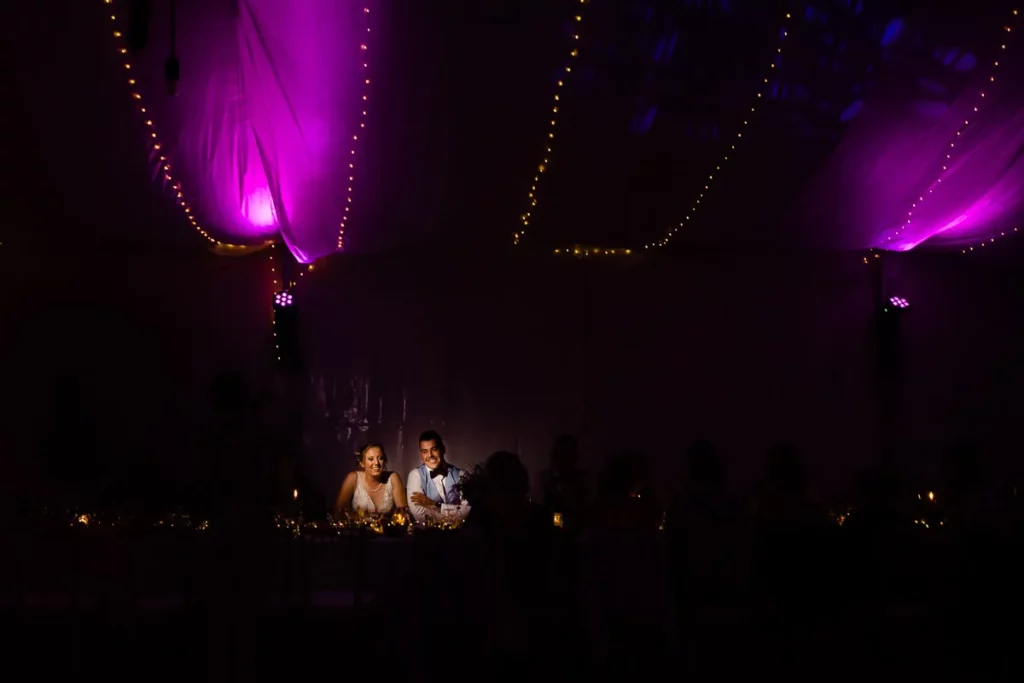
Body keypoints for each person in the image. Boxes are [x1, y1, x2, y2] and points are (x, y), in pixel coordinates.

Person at [406, 430, 470, 522]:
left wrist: (435, 505)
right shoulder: (415, 476)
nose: (430, 455)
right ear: (421, 455)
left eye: (434, 449)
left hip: (460, 531)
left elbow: (467, 512)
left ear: (443, 449)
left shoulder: (462, 475)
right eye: (425, 451)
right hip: (429, 531)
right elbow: (420, 516)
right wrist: (454, 514)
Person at [334, 443, 407, 515]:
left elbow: (403, 514)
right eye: (371, 459)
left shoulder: (393, 478)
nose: (376, 463)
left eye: (380, 458)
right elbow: (337, 512)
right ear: (362, 463)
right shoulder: (353, 478)